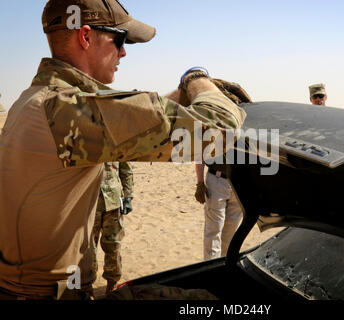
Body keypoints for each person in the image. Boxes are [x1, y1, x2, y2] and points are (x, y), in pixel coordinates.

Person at [0, 0, 246, 300]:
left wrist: (182, 95)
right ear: (86, 37)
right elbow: (219, 129)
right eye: (119, 40)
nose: (124, 52)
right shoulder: (67, 110)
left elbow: (136, 122)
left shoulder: (38, 100)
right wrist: (198, 79)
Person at [92, 162, 133, 296]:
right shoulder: (82, 141)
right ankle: (86, 286)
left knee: (113, 246)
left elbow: (126, 169)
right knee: (87, 249)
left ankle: (112, 284)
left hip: (113, 203)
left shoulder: (116, 143)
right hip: (88, 204)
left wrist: (128, 196)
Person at [195, 163, 243, 260]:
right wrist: (200, 182)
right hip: (217, 181)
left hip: (241, 183)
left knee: (230, 234)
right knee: (213, 232)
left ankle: (223, 269)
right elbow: (200, 151)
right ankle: (212, 271)